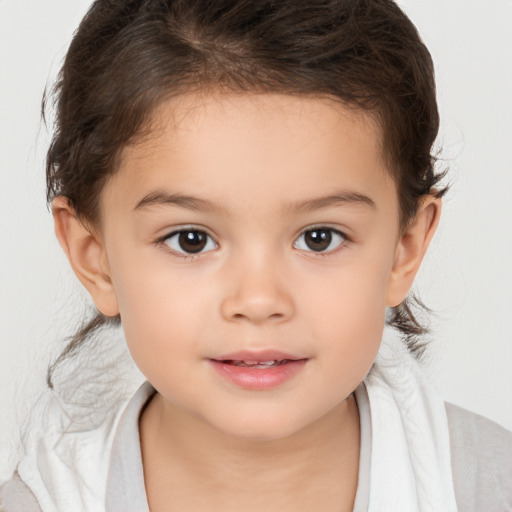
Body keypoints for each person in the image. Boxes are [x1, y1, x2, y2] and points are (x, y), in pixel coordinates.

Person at [0, 0, 511, 510]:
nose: (259, 300)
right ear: (95, 258)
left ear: (406, 247)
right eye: (191, 240)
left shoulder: (489, 486)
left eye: (319, 237)